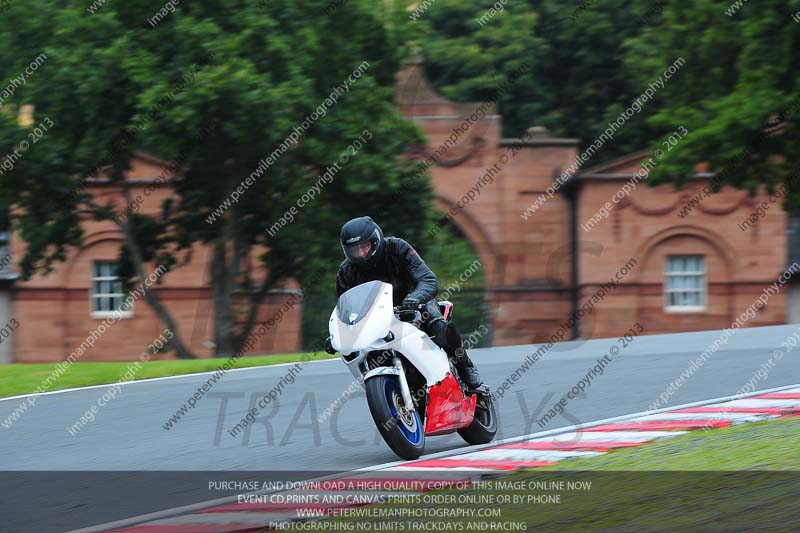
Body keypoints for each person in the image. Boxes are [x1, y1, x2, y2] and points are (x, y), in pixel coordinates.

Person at [324, 216, 483, 388]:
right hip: (376, 319)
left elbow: (427, 279)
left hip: (414, 303)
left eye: (365, 247)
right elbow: (346, 309)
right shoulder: (346, 271)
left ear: (376, 240)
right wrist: (339, 335)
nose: (361, 253)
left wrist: (415, 298)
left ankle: (464, 365)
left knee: (437, 325)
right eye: (355, 250)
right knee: (367, 352)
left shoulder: (397, 247)